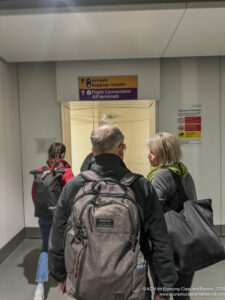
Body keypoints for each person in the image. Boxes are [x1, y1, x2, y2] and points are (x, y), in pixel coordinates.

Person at [49, 125, 178, 300]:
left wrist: (59, 274)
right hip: (133, 286)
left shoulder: (75, 186)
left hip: (85, 284)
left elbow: (58, 233)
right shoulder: (140, 186)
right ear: (121, 149)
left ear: (93, 151)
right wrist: (164, 287)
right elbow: (159, 239)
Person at [146, 132, 197, 300]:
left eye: (152, 152)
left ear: (162, 154)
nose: (148, 155)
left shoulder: (160, 176)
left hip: (167, 248)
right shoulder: (185, 174)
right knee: (182, 294)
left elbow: (155, 213)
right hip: (188, 245)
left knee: (163, 294)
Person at [31, 142, 74, 300]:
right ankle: (63, 281)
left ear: (48, 155)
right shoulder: (66, 171)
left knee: (45, 249)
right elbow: (72, 196)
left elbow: (34, 195)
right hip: (62, 219)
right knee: (65, 248)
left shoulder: (41, 172)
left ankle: (40, 288)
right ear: (63, 155)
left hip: (44, 217)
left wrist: (44, 211)